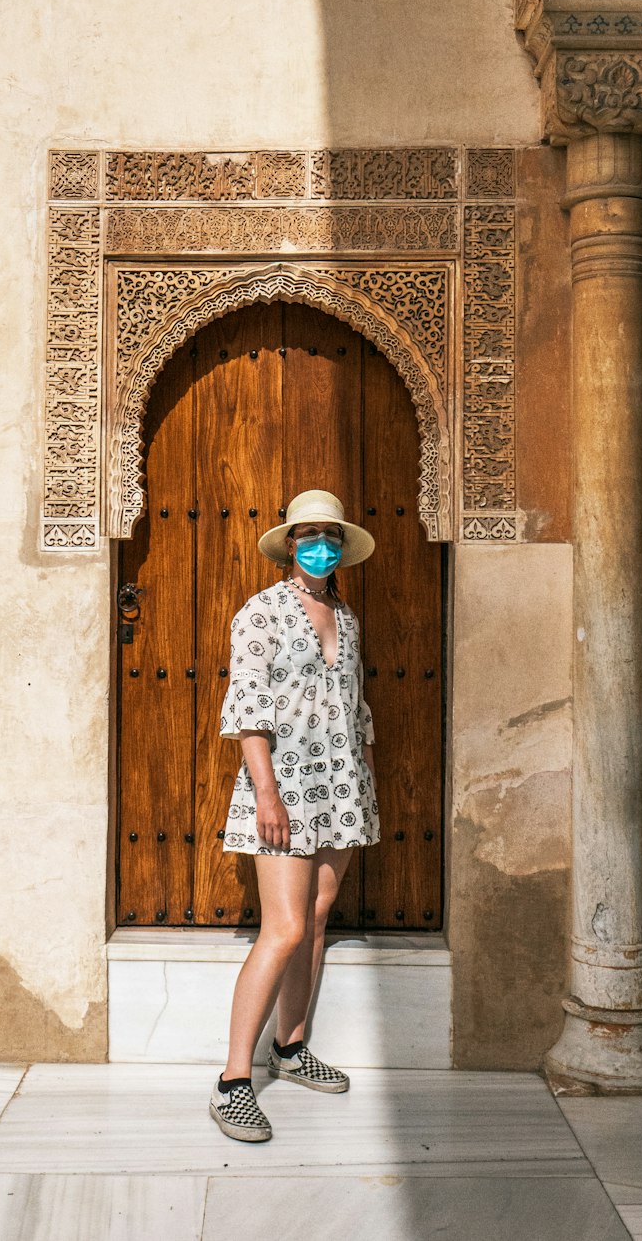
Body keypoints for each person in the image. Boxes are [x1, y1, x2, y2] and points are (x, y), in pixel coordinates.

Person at [209, 489, 378, 1143]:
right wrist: (269, 794)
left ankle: (291, 1044)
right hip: (282, 791)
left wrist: (364, 782)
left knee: (312, 921)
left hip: (340, 789)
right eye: (308, 534)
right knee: (280, 928)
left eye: (330, 536)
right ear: (288, 544)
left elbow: (355, 707)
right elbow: (247, 708)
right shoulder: (261, 612)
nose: (320, 545)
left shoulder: (348, 616)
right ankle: (232, 1082)